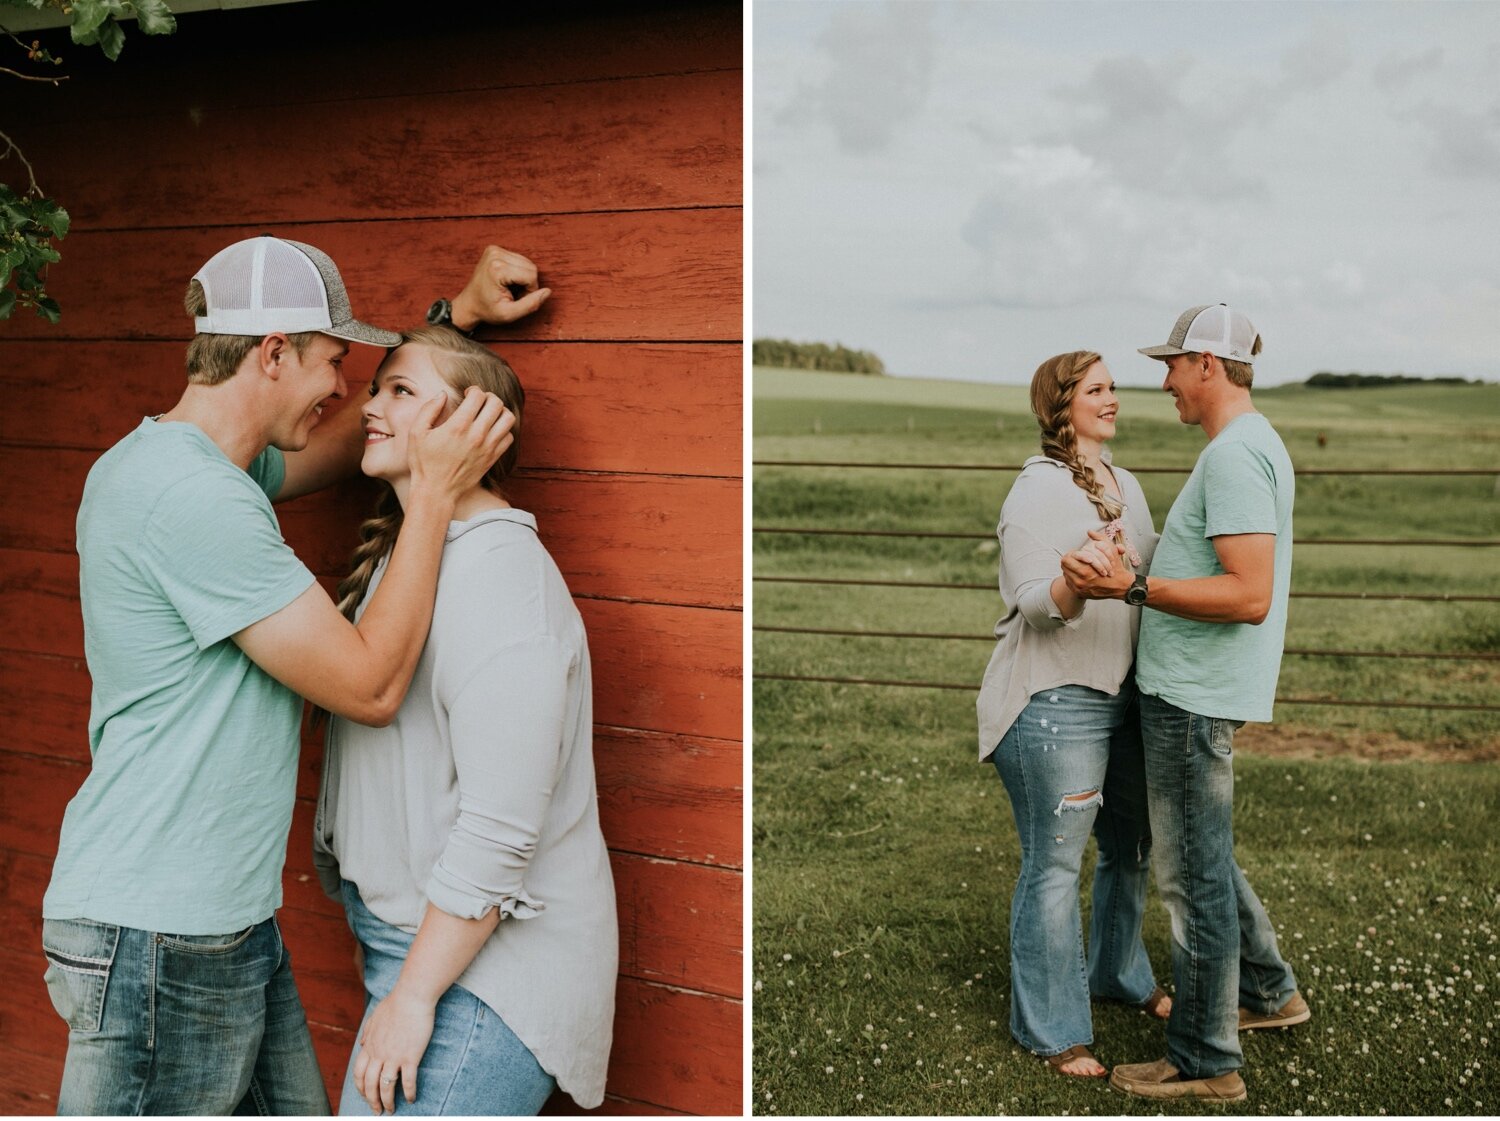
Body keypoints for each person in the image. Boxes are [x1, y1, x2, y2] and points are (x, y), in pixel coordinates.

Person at [40, 235, 547, 1115]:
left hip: (216, 922)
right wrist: (430, 494)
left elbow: (353, 440)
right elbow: (371, 686)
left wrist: (454, 320)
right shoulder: (191, 497)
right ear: (273, 353)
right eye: (333, 361)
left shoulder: (194, 465)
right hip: (163, 934)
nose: (346, 388)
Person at [313, 327, 617, 1116]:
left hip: (485, 978)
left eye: (399, 391)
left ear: (469, 424)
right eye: (375, 386)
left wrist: (413, 999)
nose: (369, 406)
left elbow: (499, 827)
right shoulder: (413, 556)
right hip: (419, 953)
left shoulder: (500, 577)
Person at [1061, 304, 1307, 1104]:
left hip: (1192, 697)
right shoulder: (1243, 446)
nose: (1162, 380)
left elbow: (1247, 593)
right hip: (1194, 689)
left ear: (1208, 363)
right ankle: (1268, 990)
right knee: (1204, 848)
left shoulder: (1235, 456)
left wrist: (1129, 582)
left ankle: (1205, 1057)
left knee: (1192, 873)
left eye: (1173, 364)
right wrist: (1156, 558)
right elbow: (1223, 568)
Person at [976, 350, 1170, 1078]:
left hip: (1127, 697)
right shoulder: (1036, 491)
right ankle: (1054, 1030)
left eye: (1114, 386)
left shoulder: (1129, 485)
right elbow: (1032, 599)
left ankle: (1118, 971)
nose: (1113, 398)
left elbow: (1145, 583)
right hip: (1055, 703)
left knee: (1133, 846)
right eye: (1097, 389)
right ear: (1062, 404)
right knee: (1055, 866)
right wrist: (1075, 586)